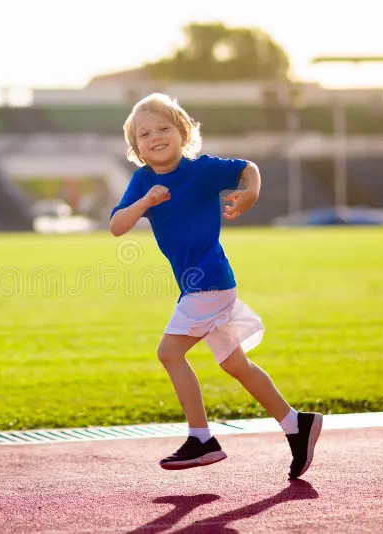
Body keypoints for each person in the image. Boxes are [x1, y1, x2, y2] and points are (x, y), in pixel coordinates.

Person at [109, 93, 322, 479]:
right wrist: (146, 201)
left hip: (209, 281)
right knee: (234, 364)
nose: (155, 137)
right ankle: (296, 424)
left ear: (183, 132)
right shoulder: (143, 180)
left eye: (164, 128)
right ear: (135, 147)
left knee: (169, 353)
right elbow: (117, 226)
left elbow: (248, 168)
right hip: (198, 286)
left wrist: (251, 192)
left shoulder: (201, 170)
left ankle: (201, 438)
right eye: (144, 134)